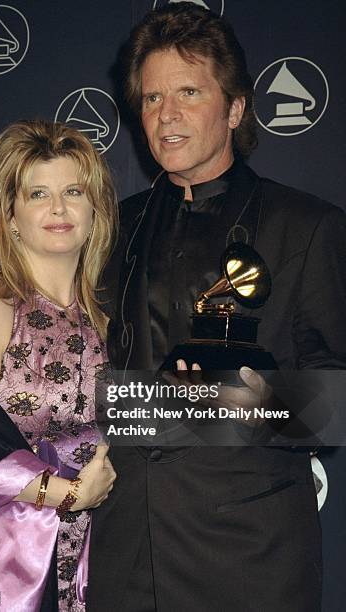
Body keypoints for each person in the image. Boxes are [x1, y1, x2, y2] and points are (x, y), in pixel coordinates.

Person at [87, 4, 346, 612]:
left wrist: (253, 405)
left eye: (189, 92)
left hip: (249, 552)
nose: (167, 115)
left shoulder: (307, 227)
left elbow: (335, 402)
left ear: (234, 108)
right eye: (152, 99)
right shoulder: (110, 227)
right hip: (126, 549)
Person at [0, 119, 118, 611]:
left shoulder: (112, 320)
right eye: (39, 194)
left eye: (74, 191)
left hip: (100, 561)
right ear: (11, 216)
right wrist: (61, 493)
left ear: (95, 209)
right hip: (0, 570)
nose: (59, 208)